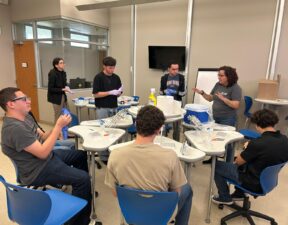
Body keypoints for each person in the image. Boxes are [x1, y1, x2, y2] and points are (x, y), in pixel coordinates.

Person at [0, 87, 92, 225]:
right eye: (24, 99)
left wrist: (56, 127)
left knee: (80, 155)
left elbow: (42, 137)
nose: (28, 102)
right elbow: (42, 153)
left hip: (45, 158)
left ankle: (80, 193)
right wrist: (58, 128)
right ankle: (80, 221)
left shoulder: (25, 118)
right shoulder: (14, 128)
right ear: (11, 104)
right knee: (83, 179)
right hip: (38, 169)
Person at [105, 105, 193, 225]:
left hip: (131, 213)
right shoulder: (170, 156)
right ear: (158, 130)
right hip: (161, 215)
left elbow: (115, 193)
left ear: (136, 124)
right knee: (187, 189)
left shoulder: (115, 154)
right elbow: (176, 194)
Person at [212, 109, 288, 205]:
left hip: (253, 183)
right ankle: (239, 194)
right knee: (248, 162)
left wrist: (246, 147)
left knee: (217, 166)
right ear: (274, 123)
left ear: (257, 125)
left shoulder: (257, 143)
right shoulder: (286, 140)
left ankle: (224, 197)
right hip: (268, 181)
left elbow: (238, 162)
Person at [193, 66, 242, 163]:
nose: (219, 77)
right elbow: (210, 98)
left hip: (228, 119)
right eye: (218, 75)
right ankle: (213, 159)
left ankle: (228, 163)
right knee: (214, 139)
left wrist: (224, 99)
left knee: (228, 142)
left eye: (221, 75)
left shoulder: (236, 88)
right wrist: (202, 93)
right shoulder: (218, 85)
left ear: (229, 76)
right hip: (216, 118)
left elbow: (236, 105)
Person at [47, 57, 72, 123]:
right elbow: (51, 89)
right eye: (61, 63)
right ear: (56, 65)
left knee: (67, 114)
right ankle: (57, 132)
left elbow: (64, 84)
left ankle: (66, 131)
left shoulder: (63, 73)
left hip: (63, 95)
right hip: (56, 98)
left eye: (63, 62)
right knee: (58, 115)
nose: (63, 64)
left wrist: (67, 87)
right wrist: (62, 89)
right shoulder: (52, 74)